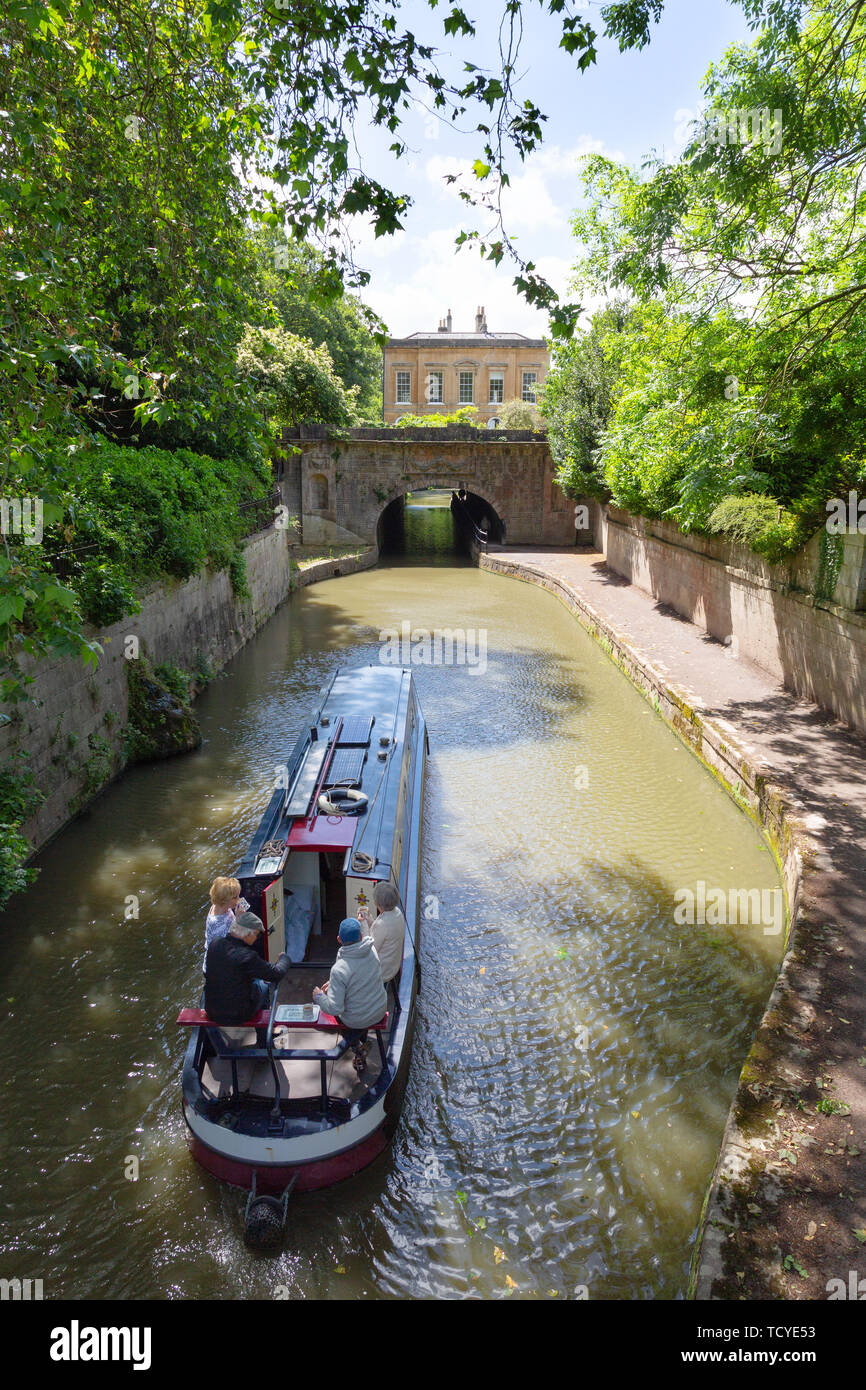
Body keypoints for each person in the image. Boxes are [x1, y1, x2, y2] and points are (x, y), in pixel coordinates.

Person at [312, 919, 387, 1074]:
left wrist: (319, 997)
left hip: (356, 1019)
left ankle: (357, 1048)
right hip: (379, 1010)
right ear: (360, 936)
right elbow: (359, 978)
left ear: (339, 939)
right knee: (361, 1007)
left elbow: (334, 1007)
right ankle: (362, 1042)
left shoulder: (339, 969)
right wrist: (333, 983)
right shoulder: (372, 951)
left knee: (346, 1018)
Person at [204, 912, 290, 1040]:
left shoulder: (215, 944)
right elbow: (276, 974)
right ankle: (264, 1041)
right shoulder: (247, 956)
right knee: (264, 985)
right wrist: (284, 958)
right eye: (256, 934)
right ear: (248, 933)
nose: (256, 938)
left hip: (211, 1010)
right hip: (237, 1014)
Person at [358, 881, 405, 1010]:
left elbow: (369, 948)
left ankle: (364, 1006)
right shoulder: (397, 913)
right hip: (393, 965)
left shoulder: (382, 924)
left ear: (377, 904)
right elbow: (382, 932)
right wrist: (369, 919)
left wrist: (362, 923)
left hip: (382, 971)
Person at [203, 876, 249, 974]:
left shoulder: (220, 907)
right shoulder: (216, 924)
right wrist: (238, 919)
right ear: (224, 900)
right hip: (217, 969)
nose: (239, 899)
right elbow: (231, 944)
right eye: (235, 897)